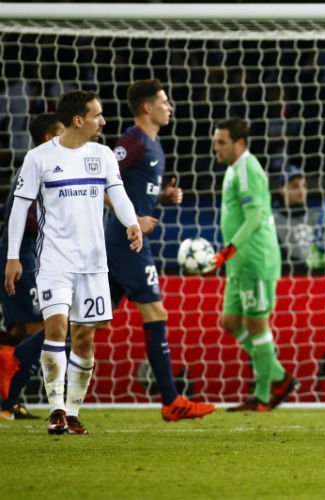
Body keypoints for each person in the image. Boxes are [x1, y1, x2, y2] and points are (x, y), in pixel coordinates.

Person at [4, 90, 143, 435]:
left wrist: (132, 223)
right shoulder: (39, 158)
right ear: (79, 120)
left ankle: (74, 411)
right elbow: (20, 207)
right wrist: (11, 256)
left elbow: (119, 195)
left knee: (84, 339)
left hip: (94, 263)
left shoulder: (103, 155)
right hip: (54, 260)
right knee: (55, 329)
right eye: (97, 114)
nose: (103, 120)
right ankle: (56, 410)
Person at [104, 79, 216, 422]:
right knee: (156, 313)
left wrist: (162, 198)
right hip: (127, 242)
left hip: (132, 241)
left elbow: (137, 192)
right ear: (147, 108)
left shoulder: (155, 146)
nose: (170, 108)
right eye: (165, 102)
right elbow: (100, 184)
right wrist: (134, 217)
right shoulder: (132, 142)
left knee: (88, 322)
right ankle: (171, 400)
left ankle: (17, 363)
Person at [210, 117, 297, 412]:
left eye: (221, 142)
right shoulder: (234, 170)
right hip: (239, 263)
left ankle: (262, 396)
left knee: (257, 324)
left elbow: (255, 217)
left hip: (255, 259)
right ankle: (278, 375)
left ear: (240, 144)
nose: (215, 147)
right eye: (215, 141)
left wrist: (227, 251)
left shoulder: (248, 168)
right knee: (230, 322)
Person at [0, 113, 64, 420]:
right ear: (49, 137)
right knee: (41, 328)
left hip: (22, 257)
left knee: (19, 330)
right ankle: (6, 402)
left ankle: (7, 400)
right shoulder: (35, 170)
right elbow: (25, 218)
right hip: (20, 258)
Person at [272, 164, 319, 273]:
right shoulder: (273, 220)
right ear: (282, 189)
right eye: (295, 186)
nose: (301, 190)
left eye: (304, 186)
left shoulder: (317, 216)